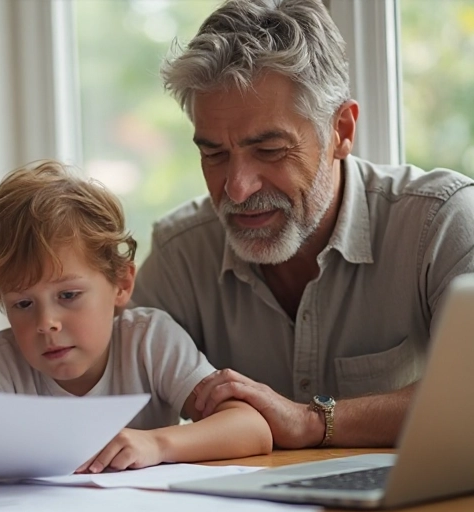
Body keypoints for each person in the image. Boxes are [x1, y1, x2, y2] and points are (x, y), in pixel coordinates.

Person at [133, 0, 474, 450]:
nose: (236, 189)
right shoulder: (180, 254)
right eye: (213, 154)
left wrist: (313, 422)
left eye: (270, 150)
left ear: (341, 130)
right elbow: (110, 398)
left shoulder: (441, 220)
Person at [0, 161, 272, 472]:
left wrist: (156, 444)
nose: (46, 323)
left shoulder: (149, 341)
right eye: (23, 304)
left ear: (121, 284)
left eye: (68, 295)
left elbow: (251, 429)